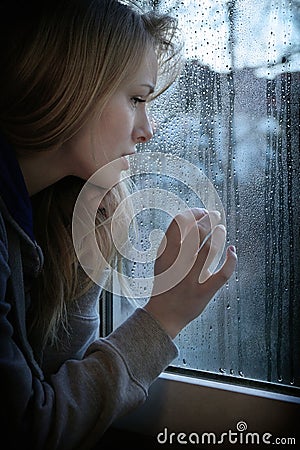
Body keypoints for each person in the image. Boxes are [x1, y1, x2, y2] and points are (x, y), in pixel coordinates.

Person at [0, 0, 237, 449]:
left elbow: (51, 376)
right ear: (71, 86)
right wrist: (163, 317)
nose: (147, 129)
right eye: (136, 99)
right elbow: (29, 429)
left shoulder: (46, 213)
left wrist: (89, 239)